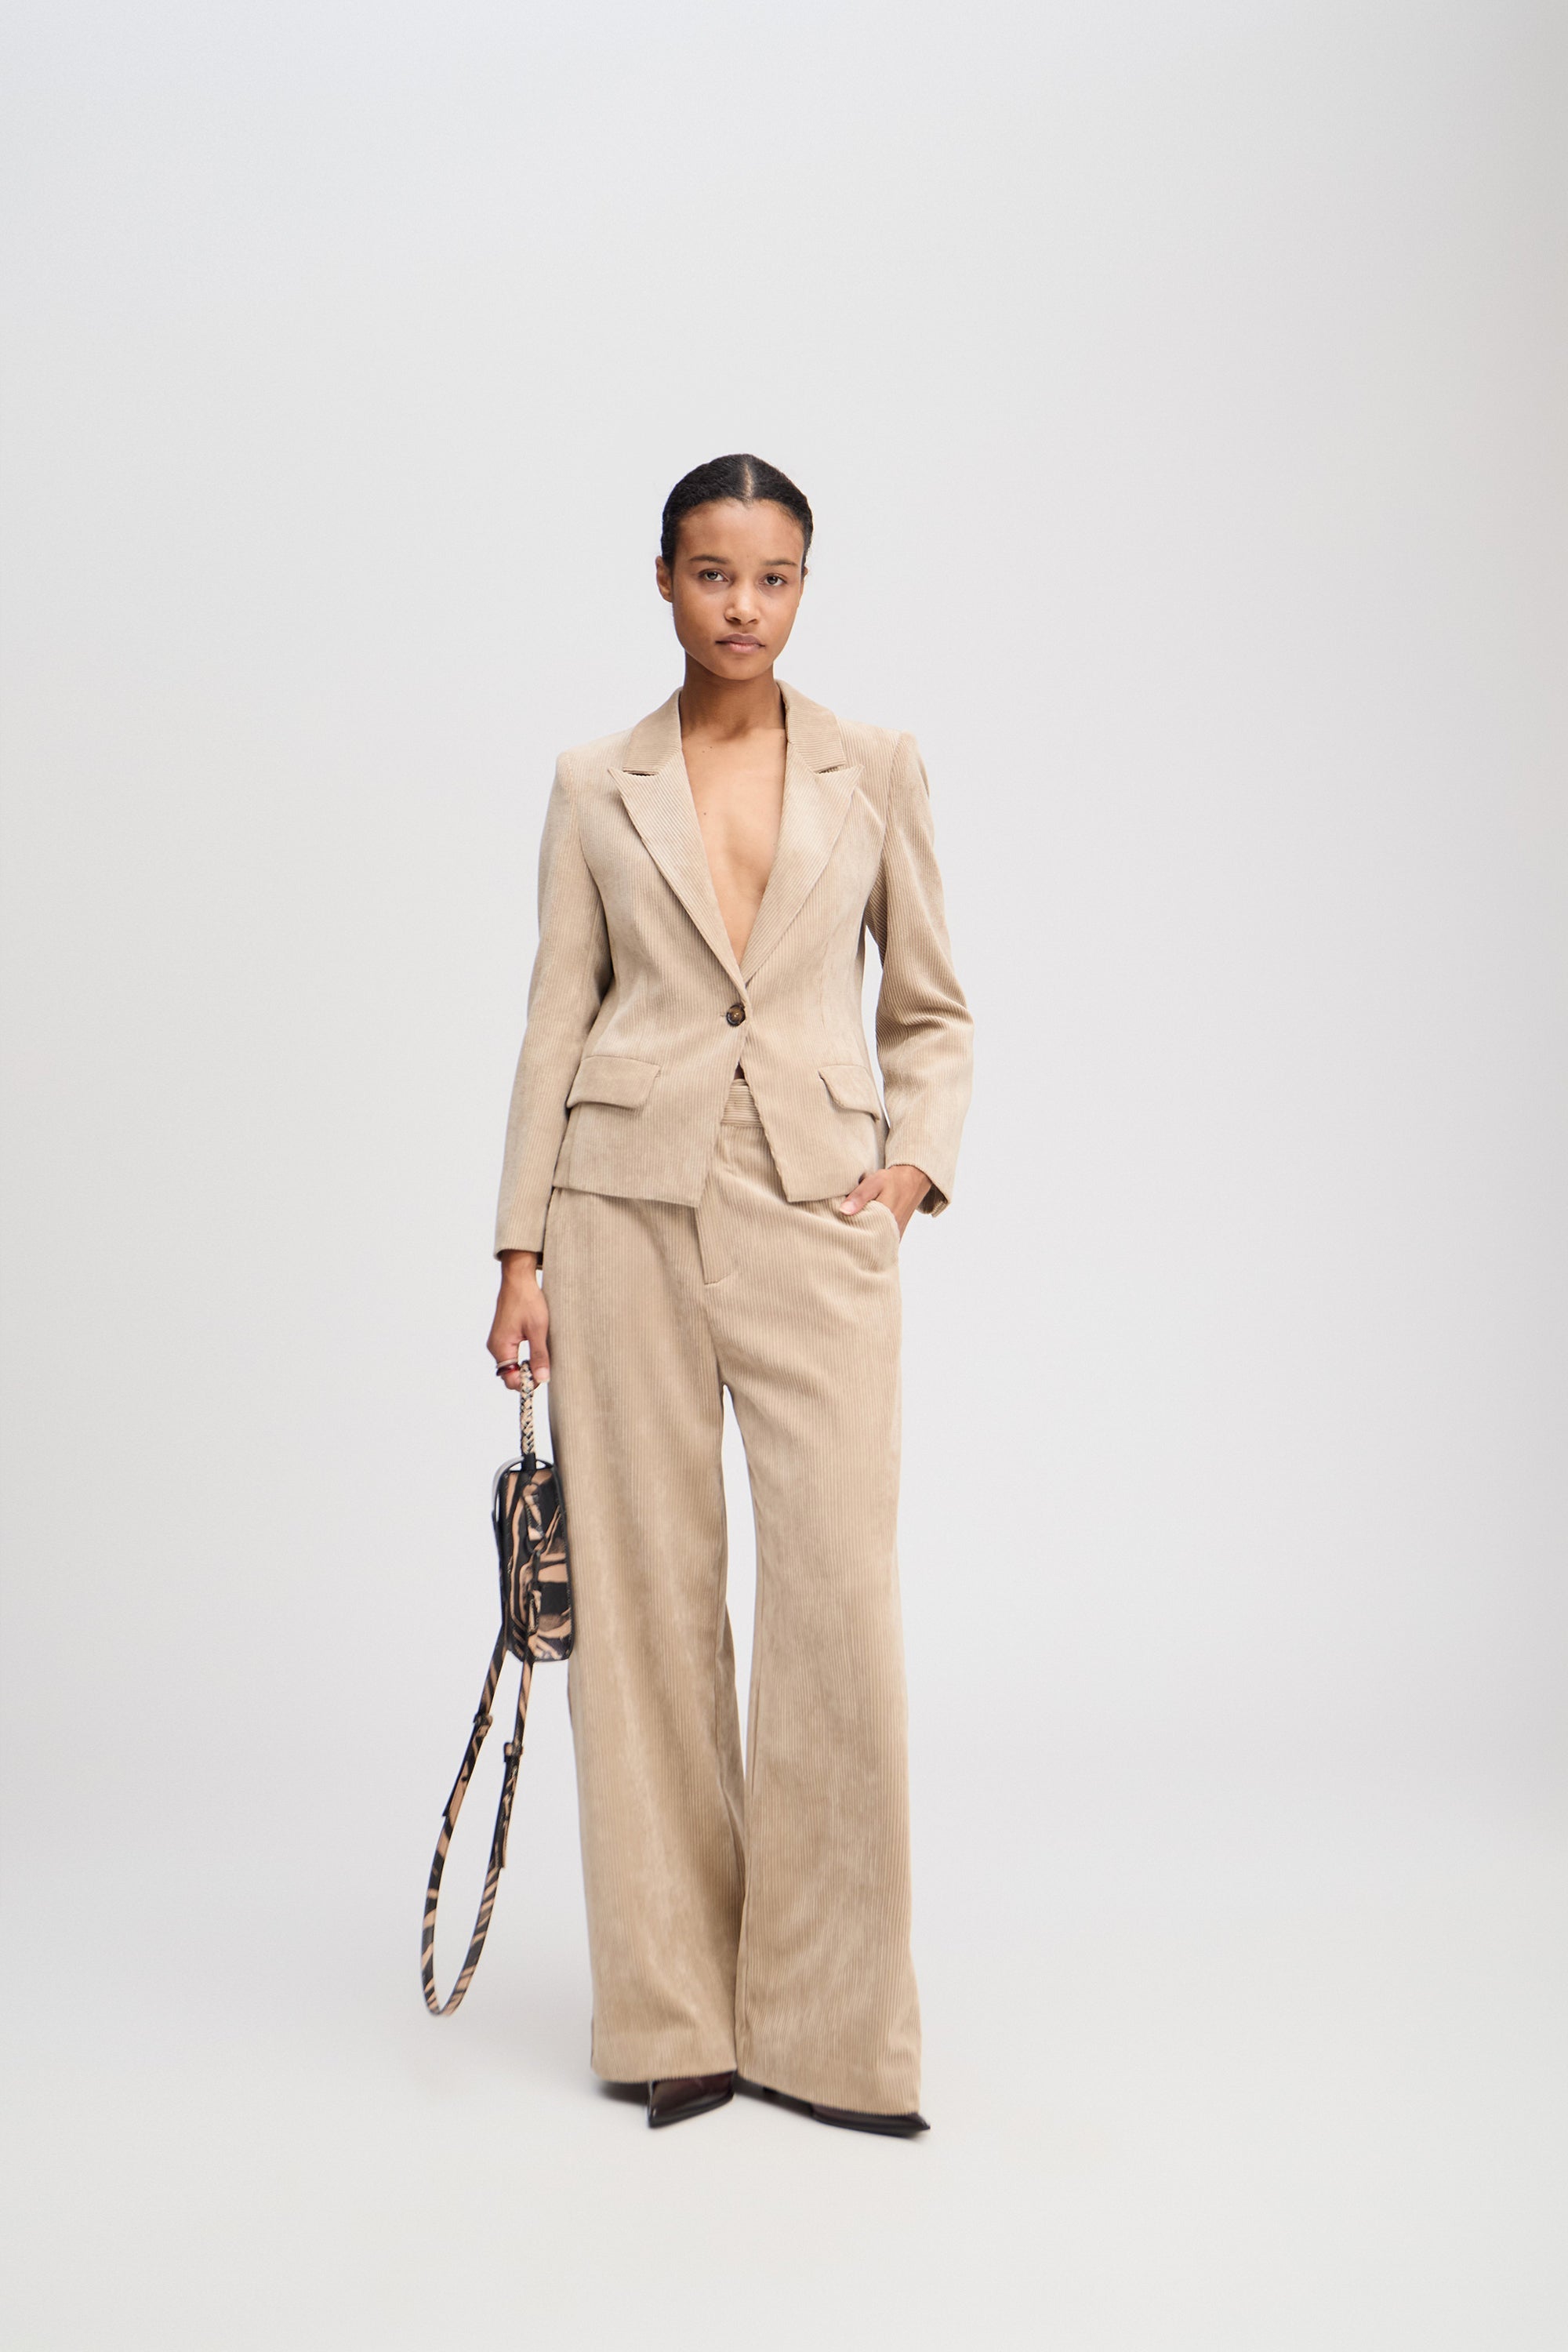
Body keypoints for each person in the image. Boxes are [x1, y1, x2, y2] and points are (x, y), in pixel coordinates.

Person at [486, 453, 973, 2135]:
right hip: (617, 1210)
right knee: (642, 1606)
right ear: (663, 582)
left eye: (771, 578)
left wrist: (910, 1167)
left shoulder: (877, 766)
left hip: (817, 1208)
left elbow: (932, 1008)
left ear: (804, 587)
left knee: (837, 1597)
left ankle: (834, 2035)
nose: (741, 607)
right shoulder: (593, 783)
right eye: (712, 575)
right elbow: (556, 1016)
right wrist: (518, 1253)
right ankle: (674, 2014)